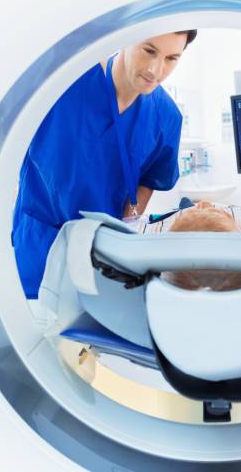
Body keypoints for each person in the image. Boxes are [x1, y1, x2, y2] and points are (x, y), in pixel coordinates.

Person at [13, 30, 197, 298]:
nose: (156, 70)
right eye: (149, 50)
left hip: (99, 254)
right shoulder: (63, 82)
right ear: (124, 37)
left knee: (91, 329)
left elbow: (152, 177)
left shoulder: (166, 116)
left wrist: (127, 225)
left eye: (171, 58)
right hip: (39, 243)